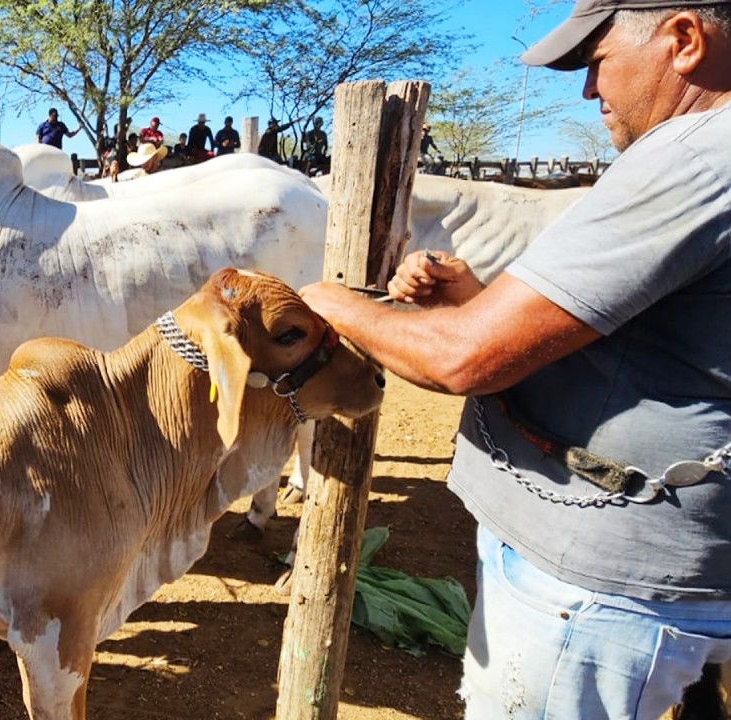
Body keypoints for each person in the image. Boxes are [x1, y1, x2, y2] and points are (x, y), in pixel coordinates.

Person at [297, 2, 731, 717]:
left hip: (601, 591)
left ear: (683, 40)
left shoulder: (691, 156)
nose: (590, 92)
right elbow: (655, 342)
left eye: (596, 64)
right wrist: (479, 301)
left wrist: (330, 300)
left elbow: (464, 361)